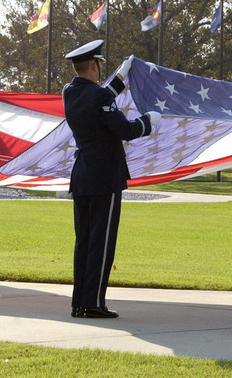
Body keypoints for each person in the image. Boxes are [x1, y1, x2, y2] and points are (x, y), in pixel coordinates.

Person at [62, 39, 159, 318]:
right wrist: (149, 122)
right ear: (94, 65)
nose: (101, 68)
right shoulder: (99, 97)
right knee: (101, 242)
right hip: (104, 177)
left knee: (84, 242)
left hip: (82, 176)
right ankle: (93, 303)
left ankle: (80, 301)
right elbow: (125, 129)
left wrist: (119, 78)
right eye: (100, 64)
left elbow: (98, 98)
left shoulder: (70, 93)